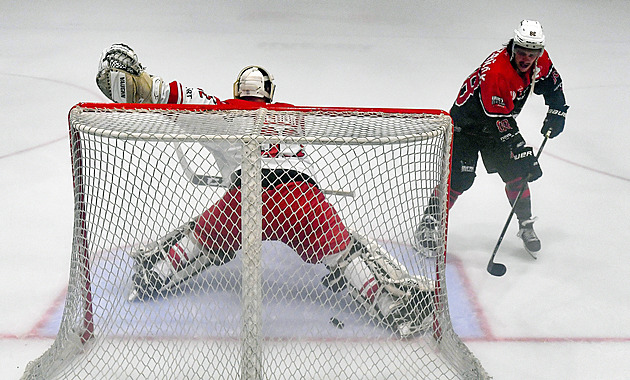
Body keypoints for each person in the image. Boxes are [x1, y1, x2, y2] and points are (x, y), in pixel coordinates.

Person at [95, 43, 434, 336]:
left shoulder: (226, 111)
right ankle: (389, 304)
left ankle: (158, 272)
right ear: (269, 92)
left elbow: (180, 98)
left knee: (201, 236)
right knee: (347, 253)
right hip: (305, 201)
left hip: (246, 200)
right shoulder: (293, 116)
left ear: (238, 90)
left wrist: (144, 84)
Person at [415, 20, 568, 256]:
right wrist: (521, 149)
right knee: (460, 179)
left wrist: (557, 110)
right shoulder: (497, 72)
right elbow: (499, 121)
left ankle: (526, 224)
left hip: (496, 123)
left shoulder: (540, 59)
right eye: (522, 53)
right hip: (467, 127)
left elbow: (552, 85)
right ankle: (429, 223)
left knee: (517, 173)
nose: (526, 59)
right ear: (513, 48)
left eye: (532, 54)